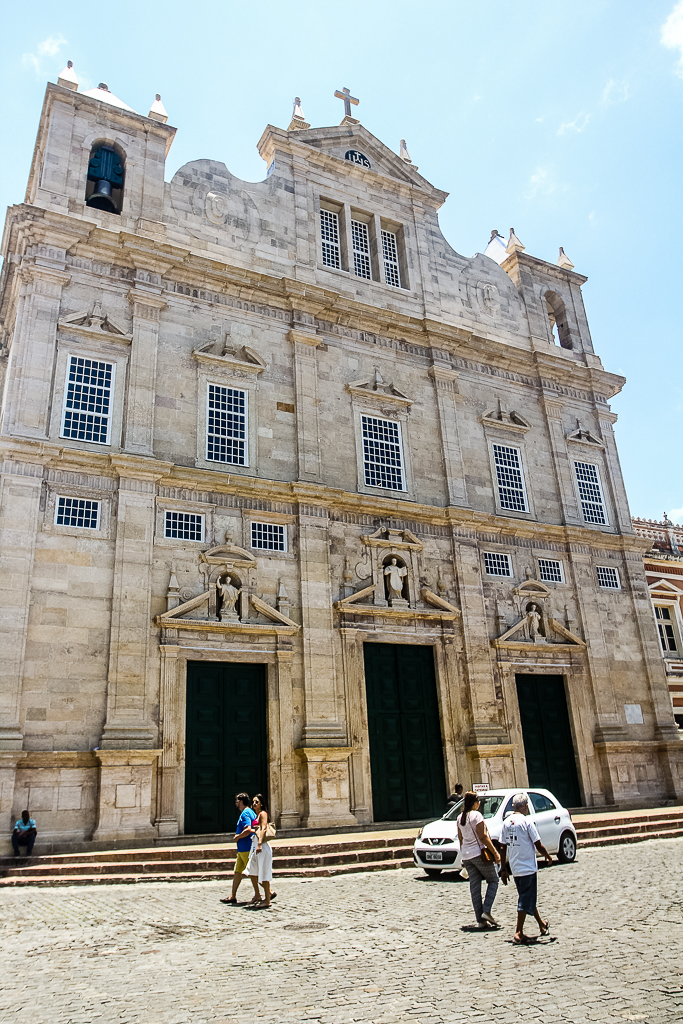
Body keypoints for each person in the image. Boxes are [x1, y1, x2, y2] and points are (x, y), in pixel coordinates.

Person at [499, 792, 552, 944]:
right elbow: (538, 844)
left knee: (528, 896)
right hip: (528, 867)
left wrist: (504, 868)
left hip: (515, 867)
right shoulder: (527, 822)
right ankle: (518, 932)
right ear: (525, 806)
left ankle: (542, 925)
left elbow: (502, 847)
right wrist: (547, 856)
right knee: (525, 898)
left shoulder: (506, 823)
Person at [457, 791, 501, 929]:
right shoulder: (477, 815)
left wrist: (464, 855)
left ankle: (480, 920)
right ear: (475, 803)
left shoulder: (460, 818)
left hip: (467, 856)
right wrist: (495, 852)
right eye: (478, 802)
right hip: (478, 854)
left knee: (475, 887)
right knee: (493, 880)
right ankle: (486, 911)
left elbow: (461, 839)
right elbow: (483, 836)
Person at [220, 793, 257, 905]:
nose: (235, 803)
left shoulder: (245, 813)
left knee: (252, 872)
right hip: (242, 849)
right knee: (237, 872)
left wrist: (238, 837)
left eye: (236, 801)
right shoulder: (251, 812)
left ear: (240, 802)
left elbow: (248, 829)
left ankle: (268, 892)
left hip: (246, 847)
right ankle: (233, 896)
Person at [246, 793, 275, 908]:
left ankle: (267, 900)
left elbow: (263, 828)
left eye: (256, 802)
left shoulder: (263, 814)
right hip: (255, 846)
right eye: (253, 802)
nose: (254, 804)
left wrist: (259, 843)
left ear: (261, 804)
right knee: (251, 871)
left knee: (263, 872)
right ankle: (257, 895)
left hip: (262, 846)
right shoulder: (257, 815)